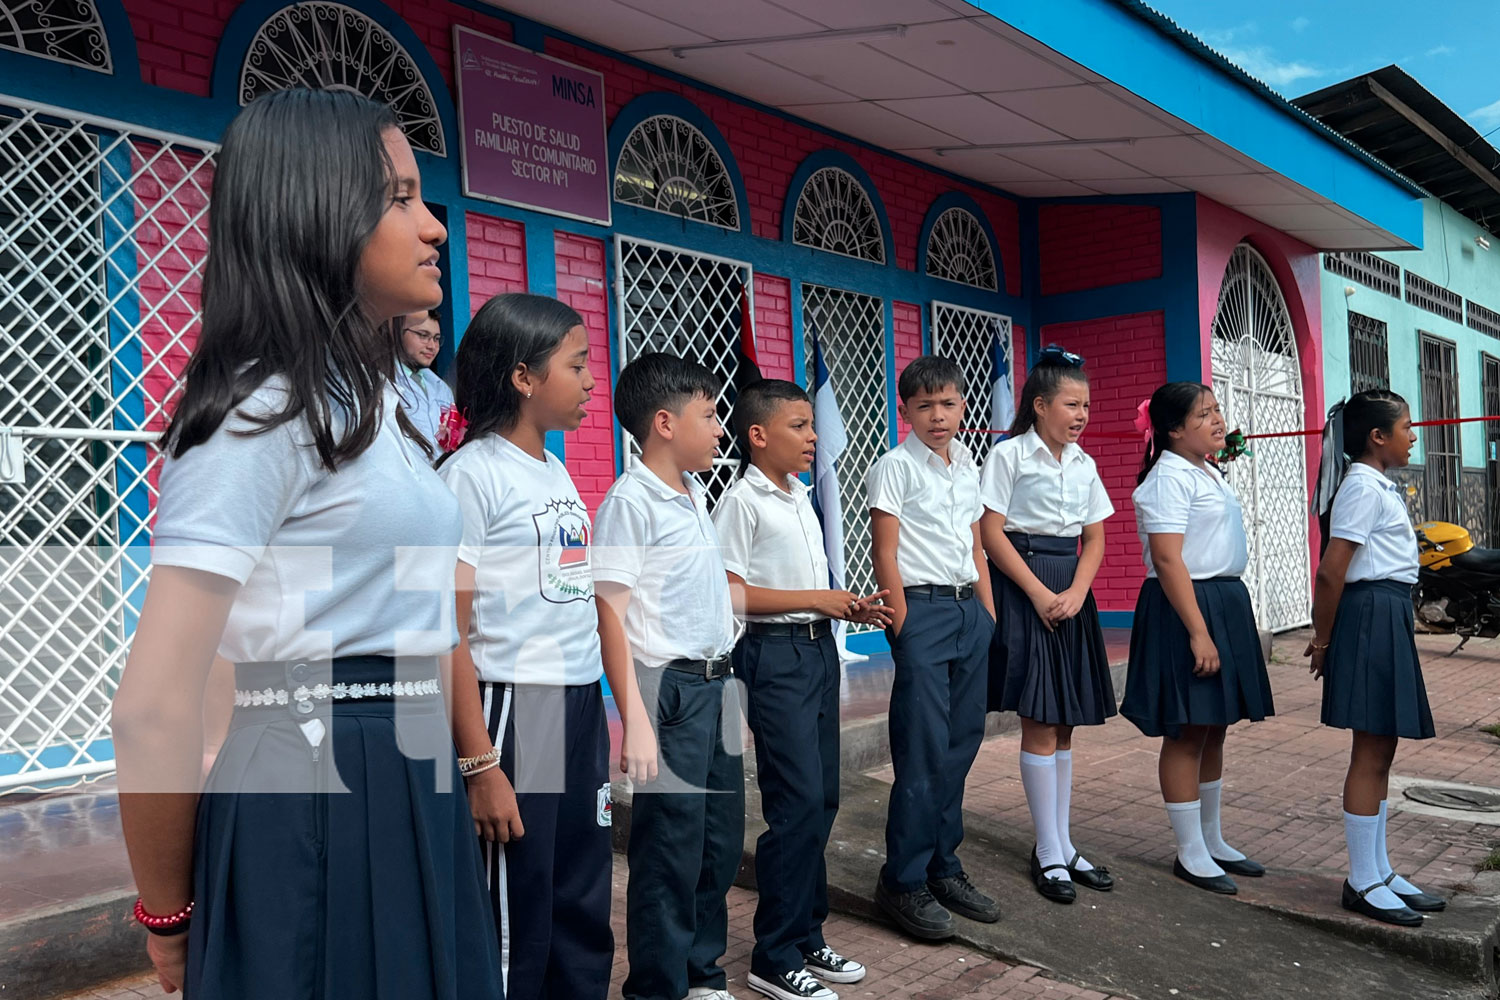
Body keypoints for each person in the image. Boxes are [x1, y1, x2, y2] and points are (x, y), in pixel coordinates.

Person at [111, 89, 501, 999]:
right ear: (314, 212)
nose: (434, 225)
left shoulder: (376, 408)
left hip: (407, 767)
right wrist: (168, 915)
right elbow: (155, 704)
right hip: (316, 781)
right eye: (399, 198)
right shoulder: (259, 413)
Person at [436, 293, 659, 1000]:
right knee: (517, 906)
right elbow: (444, 626)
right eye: (579, 364)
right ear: (524, 377)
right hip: (513, 707)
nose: (595, 379)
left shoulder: (554, 470)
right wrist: (480, 765)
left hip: (575, 704)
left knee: (581, 892)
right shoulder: (470, 475)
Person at [712, 379, 890, 1000]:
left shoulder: (798, 495)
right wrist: (817, 599)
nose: (814, 437)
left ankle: (807, 933)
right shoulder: (743, 501)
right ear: (758, 435)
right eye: (799, 425)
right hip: (774, 655)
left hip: (816, 651)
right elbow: (730, 592)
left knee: (824, 799)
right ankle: (773, 955)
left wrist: (844, 608)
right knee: (794, 805)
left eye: (812, 425)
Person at [592, 352, 744, 1000]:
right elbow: (610, 616)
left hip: (717, 685)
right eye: (708, 415)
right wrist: (635, 721)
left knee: (719, 842)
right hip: (671, 692)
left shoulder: (694, 490)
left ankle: (701, 975)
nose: (719, 429)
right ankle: (656, 989)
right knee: (669, 854)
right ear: (663, 422)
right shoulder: (631, 502)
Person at [1119, 382, 1274, 896]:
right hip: (1187, 606)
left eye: (1216, 410)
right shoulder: (1169, 478)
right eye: (1202, 413)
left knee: (1215, 726)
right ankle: (1189, 850)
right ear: (1172, 430)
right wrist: (1198, 632)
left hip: (1223, 600)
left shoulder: (1207, 470)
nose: (1216, 419)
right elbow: (1167, 559)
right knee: (1187, 730)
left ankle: (1212, 838)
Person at [867, 355, 999, 941]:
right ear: (906, 412)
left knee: (961, 743)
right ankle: (903, 880)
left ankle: (945, 866)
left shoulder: (967, 464)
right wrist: (901, 624)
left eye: (947, 403)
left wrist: (988, 614)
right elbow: (886, 553)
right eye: (924, 406)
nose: (937, 416)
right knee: (921, 750)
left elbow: (977, 547)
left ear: (962, 404)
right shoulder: (893, 468)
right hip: (921, 611)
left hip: (969, 610)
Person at [979, 346, 1116, 905]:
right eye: (1071, 404)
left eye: (1086, 405)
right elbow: (989, 534)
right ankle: (1047, 848)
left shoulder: (1084, 464)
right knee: (1039, 718)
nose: (1081, 414)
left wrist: (1079, 592)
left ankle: (1060, 843)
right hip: (1025, 584)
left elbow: (1097, 538)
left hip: (1070, 591)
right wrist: (1037, 593)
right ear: (1039, 405)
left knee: (1065, 723)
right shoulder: (1009, 456)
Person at [1307, 390, 1444, 926]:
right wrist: (1323, 639)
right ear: (1377, 437)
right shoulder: (1361, 488)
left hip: (1384, 613)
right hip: (1366, 616)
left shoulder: (1377, 485)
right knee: (1369, 746)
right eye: (1407, 426)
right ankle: (1362, 881)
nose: (1414, 435)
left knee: (1382, 744)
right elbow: (1330, 570)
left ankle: (1380, 870)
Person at [395, 307, 456, 454]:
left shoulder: (442, 388)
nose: (432, 346)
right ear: (397, 333)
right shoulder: (384, 380)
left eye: (436, 339)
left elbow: (451, 439)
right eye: (423, 335)